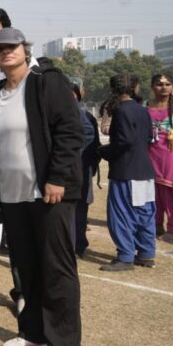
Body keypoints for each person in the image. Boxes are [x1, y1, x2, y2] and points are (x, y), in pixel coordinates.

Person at [0, 28, 85, 346]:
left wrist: (57, 177)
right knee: (26, 266)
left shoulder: (46, 81)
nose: (6, 52)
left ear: (25, 50)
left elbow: (70, 131)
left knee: (56, 267)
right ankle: (34, 334)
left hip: (48, 192)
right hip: (12, 195)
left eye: (12, 46)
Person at [99, 74, 157, 270]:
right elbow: (148, 137)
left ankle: (125, 257)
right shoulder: (142, 109)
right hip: (144, 170)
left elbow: (125, 141)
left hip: (126, 171)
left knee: (122, 214)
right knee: (144, 212)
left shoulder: (122, 111)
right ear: (135, 88)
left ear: (113, 89)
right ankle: (146, 253)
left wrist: (104, 151)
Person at [71, 78, 100, 257]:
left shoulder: (77, 112)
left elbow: (89, 138)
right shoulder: (82, 113)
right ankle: (77, 244)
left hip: (77, 168)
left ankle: (77, 244)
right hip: (82, 167)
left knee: (77, 209)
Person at [146, 73, 173, 236]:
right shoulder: (145, 107)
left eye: (167, 84)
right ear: (152, 87)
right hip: (150, 153)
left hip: (171, 155)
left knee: (170, 190)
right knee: (153, 191)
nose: (163, 87)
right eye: (159, 84)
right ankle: (156, 224)